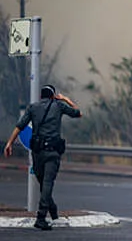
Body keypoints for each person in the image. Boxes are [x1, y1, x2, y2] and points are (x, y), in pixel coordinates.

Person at [4, 85, 82, 231]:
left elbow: (20, 126)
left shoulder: (33, 107)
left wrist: (9, 143)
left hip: (38, 152)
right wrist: (66, 99)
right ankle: (45, 214)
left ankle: (47, 214)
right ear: (53, 96)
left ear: (41, 96)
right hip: (53, 152)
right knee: (47, 184)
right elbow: (78, 113)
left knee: (43, 183)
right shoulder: (59, 105)